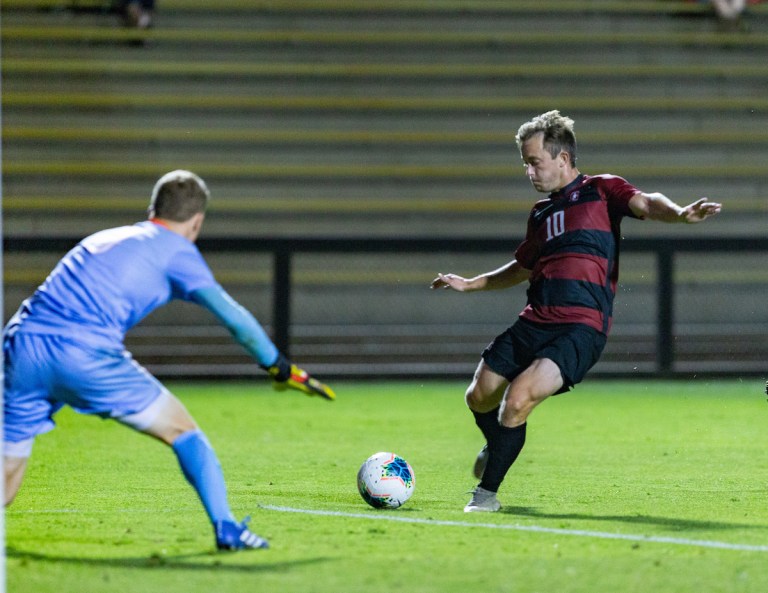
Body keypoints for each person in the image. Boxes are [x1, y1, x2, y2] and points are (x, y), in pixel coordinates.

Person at [3, 170, 335, 550]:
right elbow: (235, 319)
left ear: (151, 210)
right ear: (197, 222)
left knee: (7, 481)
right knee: (184, 431)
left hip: (21, 348)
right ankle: (227, 528)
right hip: (85, 355)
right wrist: (279, 366)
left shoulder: (106, 237)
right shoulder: (178, 251)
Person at [430, 110, 721, 513]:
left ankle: (486, 495)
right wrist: (471, 282)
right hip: (535, 319)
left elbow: (647, 203)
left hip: (580, 327)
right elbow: (522, 268)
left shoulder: (602, 190)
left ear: (563, 158)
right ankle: (498, 444)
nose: (529, 171)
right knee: (478, 396)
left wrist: (679, 213)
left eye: (535, 162)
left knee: (517, 400)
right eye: (525, 164)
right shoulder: (541, 214)